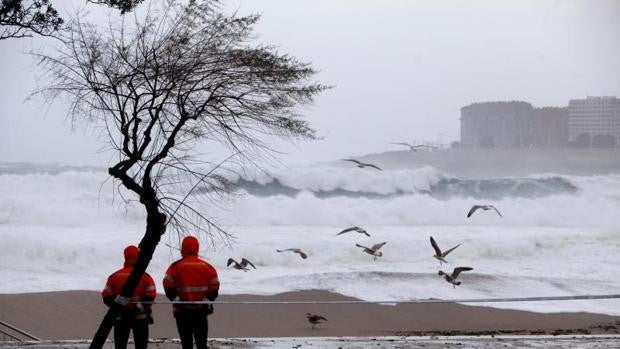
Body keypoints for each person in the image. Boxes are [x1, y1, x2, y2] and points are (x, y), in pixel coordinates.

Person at [163, 236, 220, 349]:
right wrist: (206, 301)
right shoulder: (207, 267)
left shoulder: (175, 267)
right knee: (201, 343)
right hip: (201, 312)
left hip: (181, 312)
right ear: (197, 248)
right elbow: (215, 288)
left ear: (182, 248)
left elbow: (167, 285)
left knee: (186, 343)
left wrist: (178, 301)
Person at [102, 245, 156, 349]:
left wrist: (119, 309)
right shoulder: (145, 277)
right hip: (141, 318)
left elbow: (106, 296)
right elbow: (151, 295)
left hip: (120, 318)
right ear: (138, 257)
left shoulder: (114, 277)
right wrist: (136, 309)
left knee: (120, 346)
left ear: (125, 257)